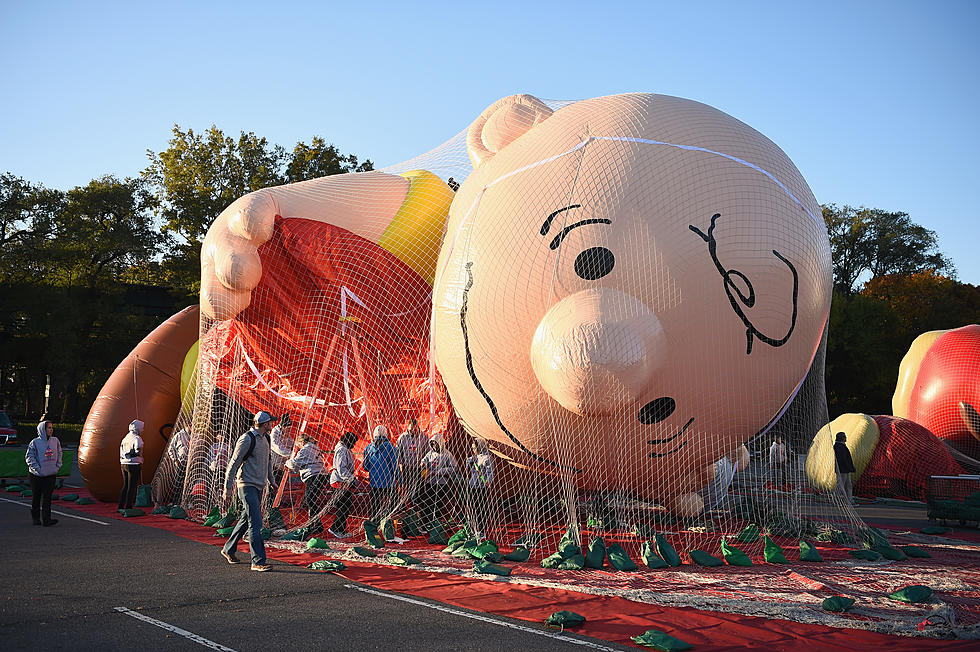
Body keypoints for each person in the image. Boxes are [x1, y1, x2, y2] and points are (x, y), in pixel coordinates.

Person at [221, 411, 282, 571]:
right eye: (270, 422)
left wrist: (272, 480)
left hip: (259, 485)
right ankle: (258, 561)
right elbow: (234, 463)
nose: (272, 425)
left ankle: (228, 549)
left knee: (245, 520)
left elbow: (267, 460)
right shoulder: (247, 439)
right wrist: (227, 488)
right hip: (246, 485)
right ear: (264, 424)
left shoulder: (266, 439)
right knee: (256, 522)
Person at [26, 419, 61, 526]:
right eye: (48, 428)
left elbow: (59, 453)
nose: (51, 430)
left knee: (47, 497)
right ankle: (36, 518)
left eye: (52, 428)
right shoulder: (35, 442)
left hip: (50, 474)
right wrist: (38, 469)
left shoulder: (55, 441)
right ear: (42, 429)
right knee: (36, 496)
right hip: (36, 475)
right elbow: (29, 457)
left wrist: (57, 466)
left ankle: (47, 519)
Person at [284, 432, 329, 516]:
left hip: (314, 475)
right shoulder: (315, 447)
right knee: (311, 499)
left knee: (309, 500)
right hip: (322, 475)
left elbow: (295, 464)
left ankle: (315, 522)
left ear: (301, 442)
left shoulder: (305, 449)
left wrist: (287, 462)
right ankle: (314, 522)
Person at [420, 434, 458, 526]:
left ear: (440, 443)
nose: (434, 446)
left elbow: (454, 467)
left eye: (435, 444)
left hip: (441, 483)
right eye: (432, 444)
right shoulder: (430, 454)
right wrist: (423, 463)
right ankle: (426, 524)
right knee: (428, 504)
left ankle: (437, 525)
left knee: (439, 505)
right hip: (430, 482)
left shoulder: (447, 454)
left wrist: (440, 472)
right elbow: (424, 460)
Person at [362, 425, 399, 519]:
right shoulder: (390, 447)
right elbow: (395, 466)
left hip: (374, 482)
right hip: (389, 482)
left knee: (375, 504)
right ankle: (388, 523)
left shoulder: (369, 448)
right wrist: (400, 480)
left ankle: (373, 523)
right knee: (393, 504)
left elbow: (365, 467)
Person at [328, 431, 358, 538]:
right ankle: (336, 529)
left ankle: (341, 528)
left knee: (346, 506)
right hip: (340, 481)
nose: (354, 445)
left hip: (344, 481)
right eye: (353, 442)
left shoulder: (346, 450)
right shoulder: (341, 450)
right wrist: (351, 479)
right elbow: (341, 468)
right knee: (343, 506)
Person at [464, 438, 494, 538]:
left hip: (481, 487)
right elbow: (468, 466)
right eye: (472, 448)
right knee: (472, 508)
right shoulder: (474, 457)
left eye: (475, 448)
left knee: (480, 509)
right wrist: (469, 462)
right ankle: (474, 529)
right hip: (473, 485)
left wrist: (488, 481)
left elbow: (490, 472)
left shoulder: (487, 458)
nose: (473, 450)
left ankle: (481, 530)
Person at [396, 417, 427, 507]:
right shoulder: (402, 437)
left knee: (418, 488)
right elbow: (398, 452)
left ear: (417, 427)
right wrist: (402, 462)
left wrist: (424, 463)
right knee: (408, 487)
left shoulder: (424, 436)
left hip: (419, 467)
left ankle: (417, 506)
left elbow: (427, 452)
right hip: (407, 468)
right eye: (410, 429)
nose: (412, 431)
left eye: (414, 429)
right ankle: (410, 506)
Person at [118, 420, 144, 510]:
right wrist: (140, 457)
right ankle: (128, 506)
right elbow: (138, 449)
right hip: (134, 463)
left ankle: (121, 505)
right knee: (132, 486)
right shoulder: (137, 438)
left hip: (124, 463)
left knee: (125, 485)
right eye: (142, 428)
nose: (142, 430)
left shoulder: (125, 438)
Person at [166, 427, 191, 504]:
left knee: (188, 483)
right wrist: (175, 460)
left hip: (190, 463)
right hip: (181, 463)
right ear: (189, 425)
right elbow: (171, 449)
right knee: (178, 483)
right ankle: (176, 502)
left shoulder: (195, 436)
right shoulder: (179, 435)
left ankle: (186, 501)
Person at [834, 431, 856, 504]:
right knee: (841, 485)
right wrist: (849, 467)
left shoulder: (841, 446)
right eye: (845, 437)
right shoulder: (839, 447)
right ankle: (837, 500)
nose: (846, 438)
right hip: (842, 469)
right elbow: (842, 459)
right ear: (842, 438)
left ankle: (849, 500)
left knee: (848, 485)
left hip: (845, 469)